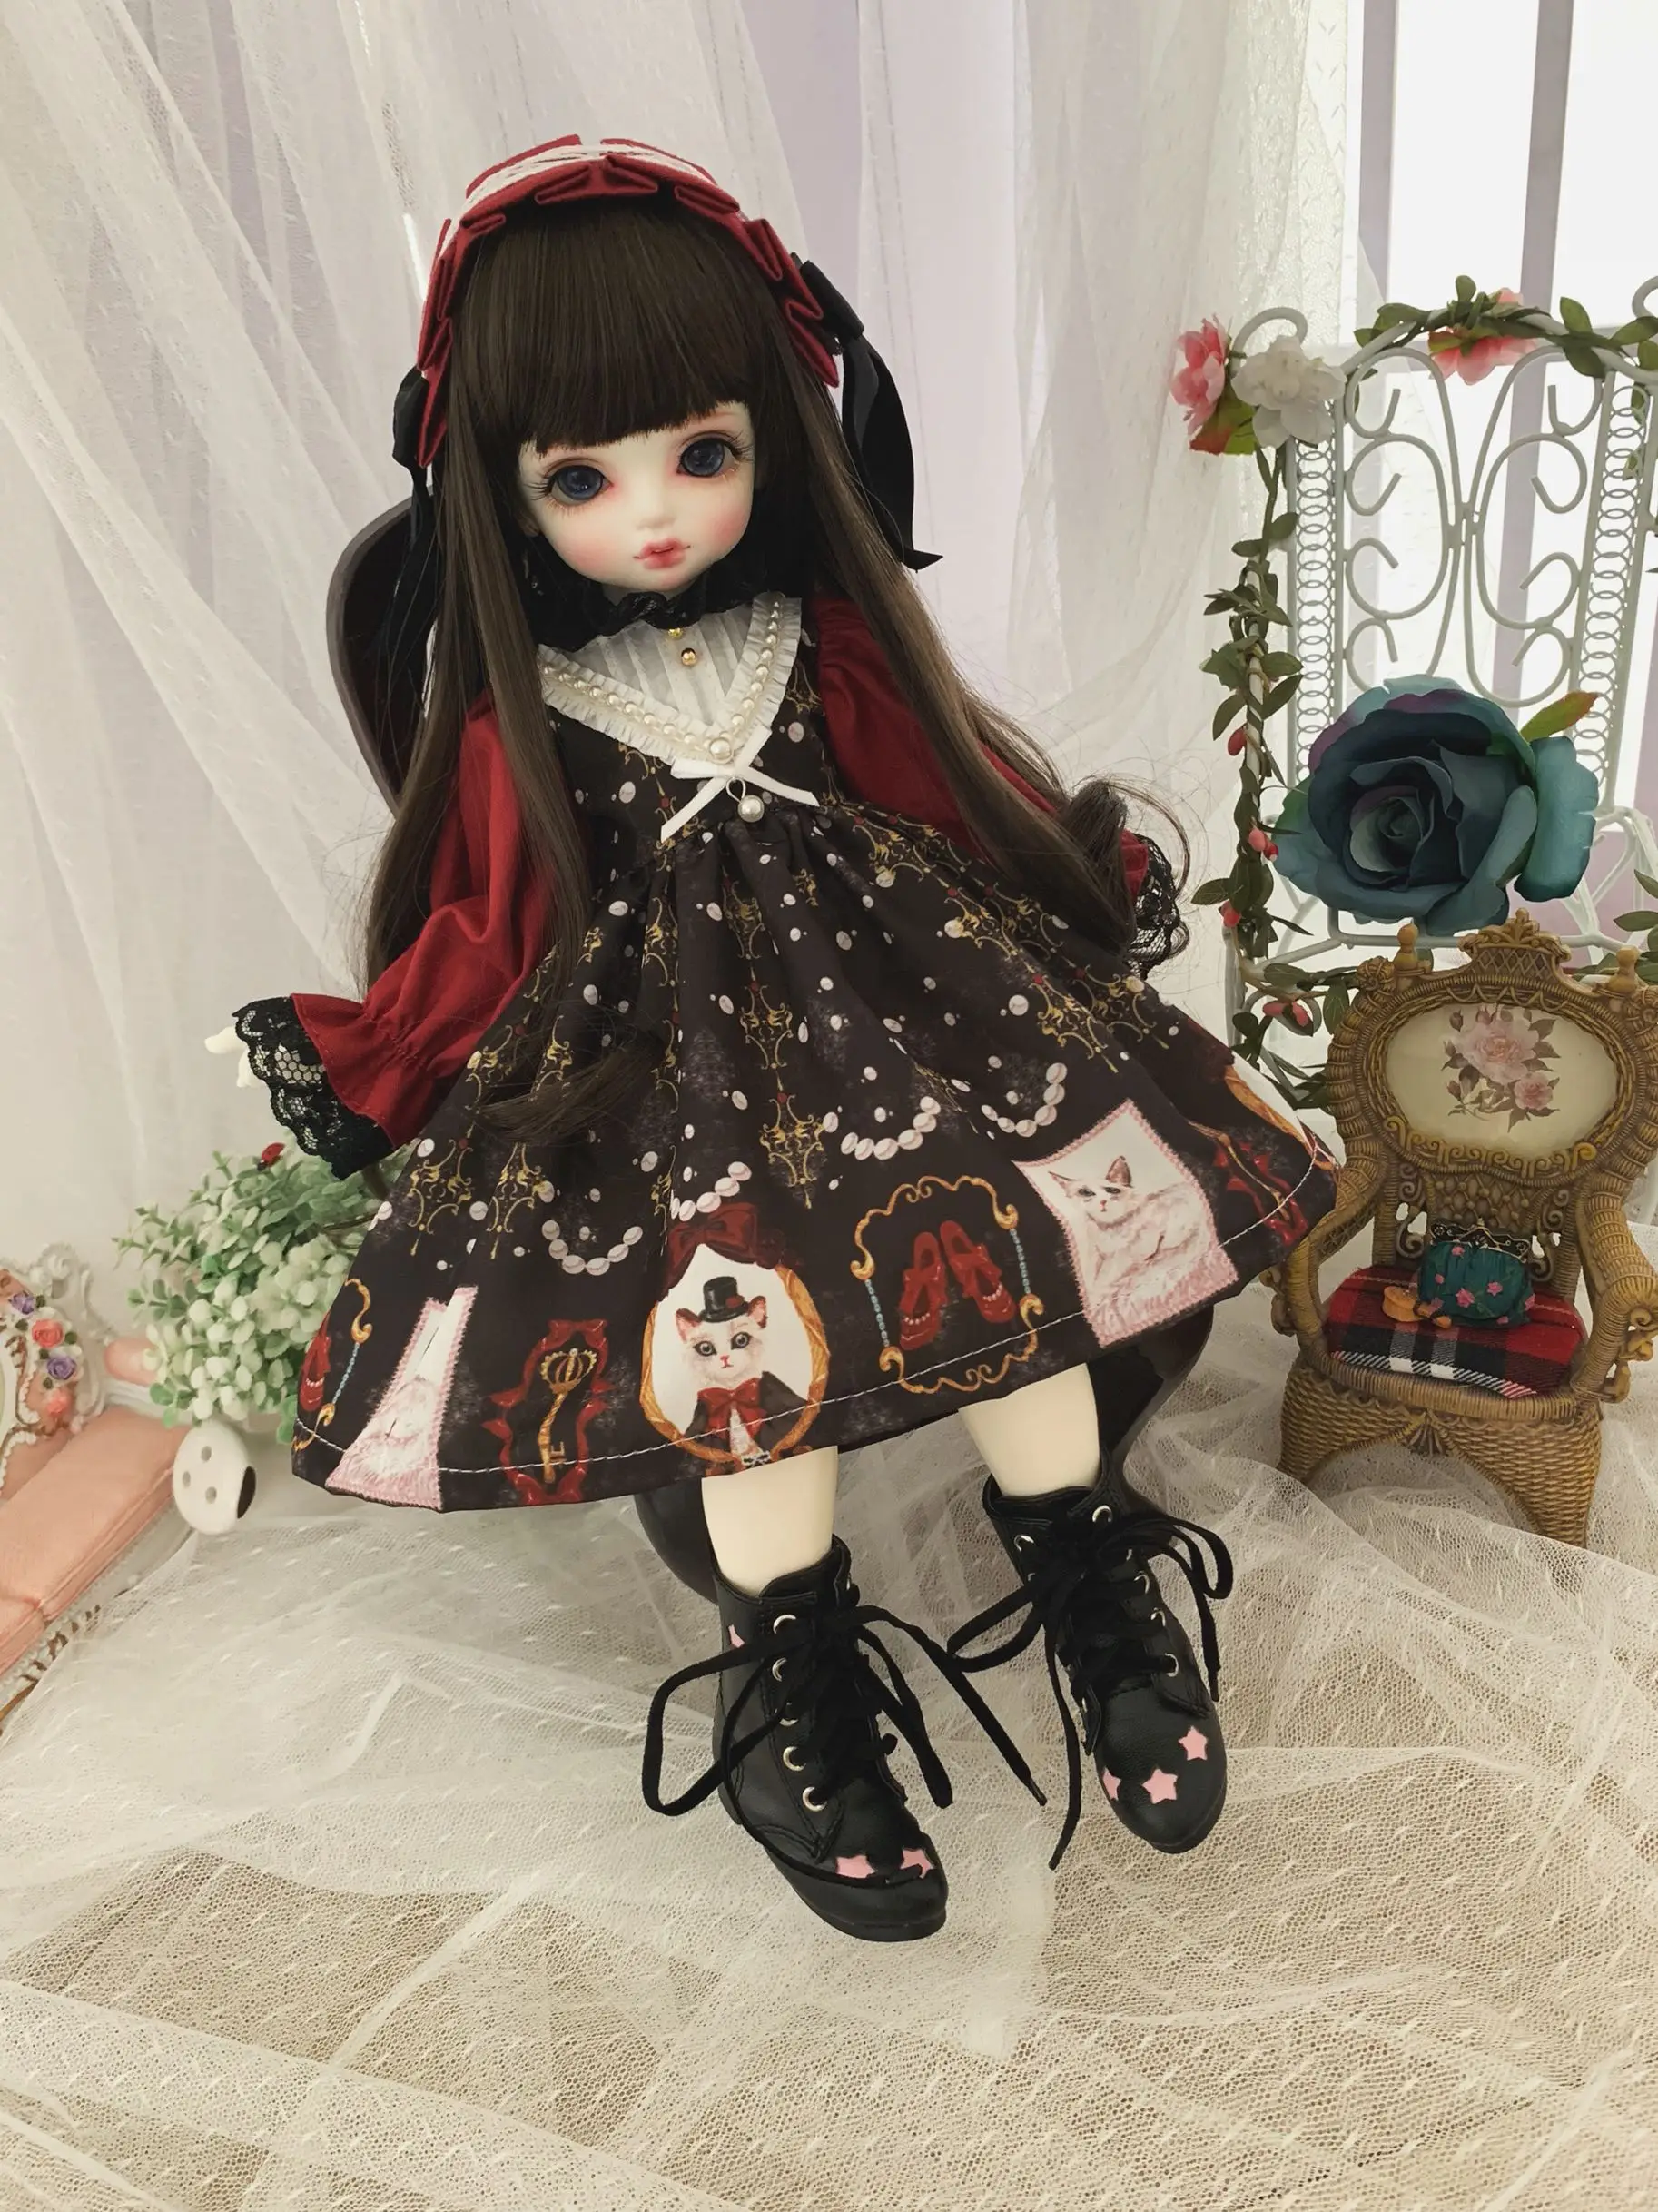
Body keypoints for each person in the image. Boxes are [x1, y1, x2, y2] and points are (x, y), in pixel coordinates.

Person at [208, 136, 1337, 1942]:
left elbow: (946, 793)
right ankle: (790, 1672)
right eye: (581, 477)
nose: (652, 513)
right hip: (659, 1083)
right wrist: (384, 1059)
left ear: (781, 435)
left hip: (909, 1018)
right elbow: (490, 927)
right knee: (732, 1365)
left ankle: (1089, 1579)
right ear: (501, 492)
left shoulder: (821, 647)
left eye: (704, 453)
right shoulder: (521, 720)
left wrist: (1061, 875)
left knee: (1013, 1270)